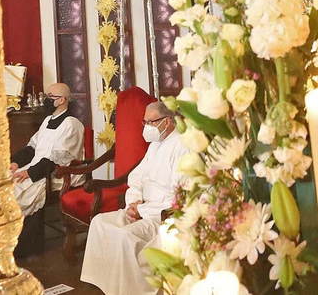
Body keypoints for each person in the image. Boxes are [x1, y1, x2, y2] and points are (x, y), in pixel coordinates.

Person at [80, 101, 188, 295]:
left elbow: (180, 197)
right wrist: (133, 203)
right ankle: (104, 282)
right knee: (99, 222)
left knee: (124, 235)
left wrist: (142, 210)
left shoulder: (182, 146)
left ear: (168, 121)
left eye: (151, 122)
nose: (147, 127)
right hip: (140, 207)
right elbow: (136, 177)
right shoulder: (155, 145)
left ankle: (129, 290)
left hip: (161, 216)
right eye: (144, 122)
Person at [11, 83, 86, 217]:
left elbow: (59, 158)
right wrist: (16, 162)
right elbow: (33, 147)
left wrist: (30, 172)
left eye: (50, 96)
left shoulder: (71, 124)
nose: (46, 100)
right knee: (4, 184)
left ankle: (30, 236)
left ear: (61, 100)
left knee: (17, 194)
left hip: (56, 173)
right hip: (38, 167)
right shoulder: (47, 121)